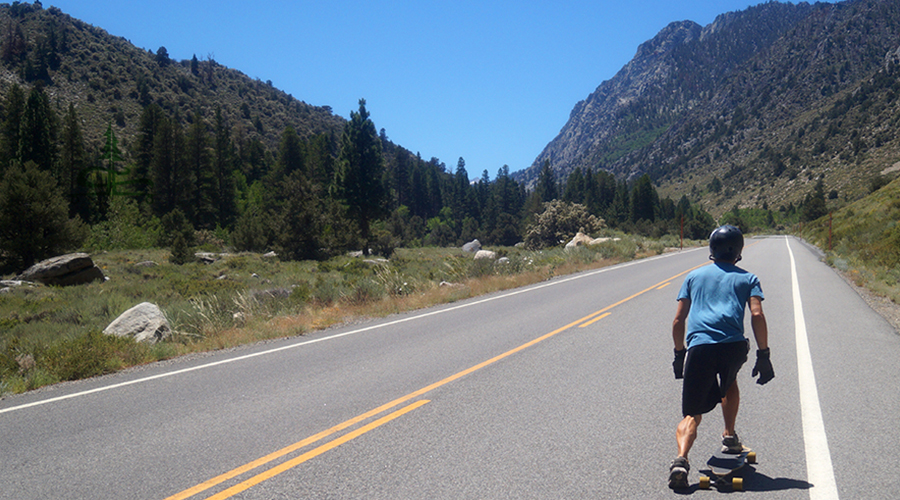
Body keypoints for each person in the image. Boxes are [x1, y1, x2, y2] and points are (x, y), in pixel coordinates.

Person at [668, 225, 775, 490]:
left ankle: (681, 460)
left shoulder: (693, 276)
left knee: (692, 413)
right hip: (733, 347)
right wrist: (764, 354)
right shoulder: (748, 278)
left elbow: (679, 319)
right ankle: (729, 436)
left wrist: (679, 353)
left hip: (700, 348)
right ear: (738, 252)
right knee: (729, 382)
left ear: (711, 250)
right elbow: (757, 315)